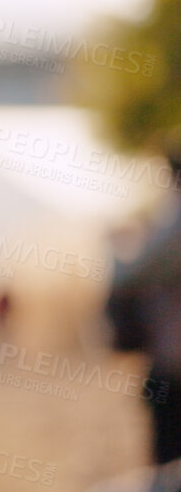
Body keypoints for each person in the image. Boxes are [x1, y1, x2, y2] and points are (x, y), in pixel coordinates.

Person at [107, 165, 181, 468]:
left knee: (167, 461)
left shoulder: (174, 223)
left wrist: (114, 251)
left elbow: (131, 275)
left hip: (173, 369)